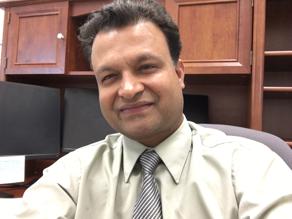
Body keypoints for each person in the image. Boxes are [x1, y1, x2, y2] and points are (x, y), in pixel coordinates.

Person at [4, 0, 292, 218]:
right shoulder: (69, 176)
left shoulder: (252, 168)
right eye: (109, 77)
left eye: (146, 67)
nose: (128, 89)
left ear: (179, 74)